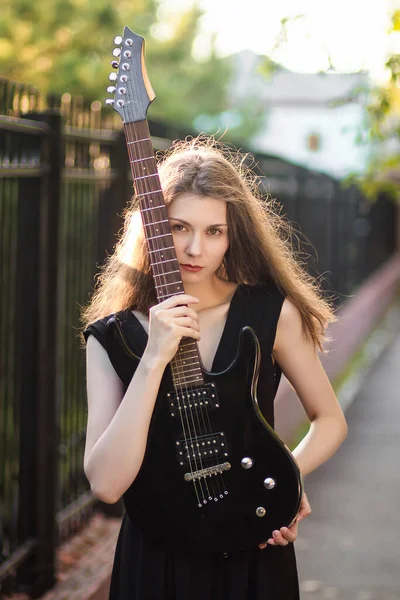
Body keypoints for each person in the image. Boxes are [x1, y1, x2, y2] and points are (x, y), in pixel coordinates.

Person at [81, 137, 348, 600]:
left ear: (232, 235)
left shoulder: (269, 314)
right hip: (154, 565)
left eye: (213, 231)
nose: (193, 248)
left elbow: (330, 420)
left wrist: (282, 486)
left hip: (255, 555)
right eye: (178, 226)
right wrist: (153, 358)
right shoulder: (111, 338)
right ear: (154, 228)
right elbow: (106, 483)